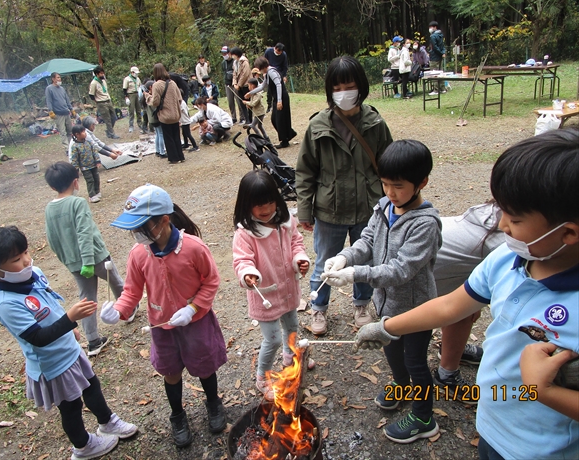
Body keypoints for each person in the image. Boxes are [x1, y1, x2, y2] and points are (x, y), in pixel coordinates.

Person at [351, 130, 579, 459]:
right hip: (491, 426)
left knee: (415, 365)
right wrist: (387, 328)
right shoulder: (505, 260)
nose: (501, 227)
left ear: (568, 231)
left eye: (514, 219)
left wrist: (544, 391)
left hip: (542, 450)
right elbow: (449, 306)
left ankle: (422, 414)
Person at [0, 226, 138, 460]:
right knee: (71, 407)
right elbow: (37, 338)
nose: (27, 261)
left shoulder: (35, 273)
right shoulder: (7, 304)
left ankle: (107, 422)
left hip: (69, 350)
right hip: (53, 366)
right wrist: (70, 319)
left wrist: (71, 331)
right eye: (17, 259)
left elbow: (51, 305)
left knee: (92, 385)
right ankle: (83, 446)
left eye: (26, 253)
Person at [322, 140, 441, 444]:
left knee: (416, 362)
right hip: (385, 307)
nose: (390, 191)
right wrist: (345, 257)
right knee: (391, 351)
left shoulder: (425, 224)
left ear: (422, 182)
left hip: (416, 311)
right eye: (385, 183)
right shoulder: (385, 206)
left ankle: (424, 417)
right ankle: (402, 388)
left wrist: (355, 274)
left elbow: (400, 271)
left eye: (398, 186)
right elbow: (367, 242)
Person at [101, 184, 227, 448]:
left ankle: (214, 403)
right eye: (133, 228)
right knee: (170, 371)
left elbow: (211, 281)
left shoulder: (193, 248)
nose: (136, 234)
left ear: (164, 221)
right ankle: (177, 415)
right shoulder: (139, 254)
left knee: (204, 365)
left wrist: (193, 308)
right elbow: (132, 292)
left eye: (141, 227)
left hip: (196, 322)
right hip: (161, 326)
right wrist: (118, 311)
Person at [296, 55, 393, 336]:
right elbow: (304, 171)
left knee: (365, 261)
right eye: (337, 88)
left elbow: (390, 166)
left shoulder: (375, 124)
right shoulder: (317, 126)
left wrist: (390, 202)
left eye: (349, 86)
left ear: (361, 87)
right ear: (329, 91)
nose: (343, 94)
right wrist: (305, 210)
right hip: (329, 210)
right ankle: (318, 308)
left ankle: (362, 304)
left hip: (369, 208)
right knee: (325, 261)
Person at [232, 170, 311, 400]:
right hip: (265, 295)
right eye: (259, 205)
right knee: (273, 339)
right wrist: (248, 273)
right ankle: (262, 377)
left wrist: (300, 260)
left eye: (270, 202)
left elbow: (296, 242)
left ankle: (290, 358)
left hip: (287, 290)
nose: (266, 209)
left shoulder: (286, 222)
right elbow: (242, 260)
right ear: (246, 205)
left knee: (292, 327)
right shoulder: (245, 234)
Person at [44, 161, 134, 354]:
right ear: (76, 182)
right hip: (95, 257)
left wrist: (68, 260)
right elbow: (84, 232)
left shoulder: (49, 208)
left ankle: (93, 340)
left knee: (86, 299)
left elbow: (52, 239)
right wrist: (87, 260)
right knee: (116, 282)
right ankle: (126, 311)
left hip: (75, 263)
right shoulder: (77, 203)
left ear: (52, 187)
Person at [433, 202, 503, 401]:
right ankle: (446, 375)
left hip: (450, 272)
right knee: (466, 310)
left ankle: (455, 348)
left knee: (471, 307)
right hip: (423, 276)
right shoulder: (506, 239)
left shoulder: (490, 214)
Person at [246, 56, 296, 149]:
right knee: (274, 119)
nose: (260, 71)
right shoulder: (267, 74)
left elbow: (278, 85)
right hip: (276, 98)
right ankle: (289, 134)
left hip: (281, 97)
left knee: (280, 120)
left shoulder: (272, 72)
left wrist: (280, 101)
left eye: (260, 69)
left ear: (263, 67)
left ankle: (285, 140)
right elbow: (262, 87)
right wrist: (250, 93)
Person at [150, 63, 184, 164]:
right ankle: (180, 156)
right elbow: (179, 98)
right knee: (176, 136)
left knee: (168, 137)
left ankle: (173, 158)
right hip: (175, 114)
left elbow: (155, 102)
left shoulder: (156, 85)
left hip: (165, 115)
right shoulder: (172, 83)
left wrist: (149, 98)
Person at [69, 125, 102, 203]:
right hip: (85, 168)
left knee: (96, 178)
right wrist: (75, 170)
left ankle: (97, 192)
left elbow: (94, 151)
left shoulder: (89, 142)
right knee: (90, 180)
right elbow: (74, 159)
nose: (85, 133)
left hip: (93, 165)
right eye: (83, 132)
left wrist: (97, 161)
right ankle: (92, 195)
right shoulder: (75, 146)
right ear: (77, 134)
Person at [89, 66, 120, 140]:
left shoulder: (103, 81)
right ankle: (112, 134)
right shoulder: (94, 83)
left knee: (114, 117)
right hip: (101, 102)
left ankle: (108, 131)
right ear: (97, 74)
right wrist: (97, 102)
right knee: (107, 119)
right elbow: (91, 95)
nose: (103, 75)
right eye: (101, 73)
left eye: (103, 73)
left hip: (108, 100)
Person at [45, 72, 74, 146]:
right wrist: (50, 111)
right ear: (53, 79)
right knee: (62, 132)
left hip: (66, 112)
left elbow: (67, 100)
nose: (59, 79)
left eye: (60, 77)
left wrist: (71, 109)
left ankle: (71, 146)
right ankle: (66, 148)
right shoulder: (49, 89)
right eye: (57, 77)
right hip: (58, 114)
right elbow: (49, 101)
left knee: (70, 131)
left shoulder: (62, 88)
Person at [143, 80, 166, 158]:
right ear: (150, 87)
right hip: (155, 118)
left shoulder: (145, 97)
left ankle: (157, 150)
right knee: (161, 134)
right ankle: (162, 152)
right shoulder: (150, 97)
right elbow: (155, 107)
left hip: (151, 119)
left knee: (157, 134)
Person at [264, 42, 289, 112]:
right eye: (278, 51)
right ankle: (269, 106)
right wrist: (264, 72)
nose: (279, 53)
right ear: (275, 48)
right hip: (269, 72)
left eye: (280, 52)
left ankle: (278, 103)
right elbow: (264, 61)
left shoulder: (284, 55)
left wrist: (284, 75)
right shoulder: (268, 51)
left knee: (279, 88)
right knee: (269, 90)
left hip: (279, 73)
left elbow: (285, 66)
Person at [231, 47, 251, 125]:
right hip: (238, 86)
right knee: (242, 102)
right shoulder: (235, 63)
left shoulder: (244, 61)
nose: (232, 56)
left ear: (236, 54)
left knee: (248, 102)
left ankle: (250, 119)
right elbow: (234, 74)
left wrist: (239, 84)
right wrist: (235, 83)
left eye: (233, 55)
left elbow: (245, 74)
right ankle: (246, 120)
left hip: (245, 84)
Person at [428, 21, 446, 95]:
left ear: (435, 27)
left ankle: (436, 90)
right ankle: (442, 88)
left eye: (431, 27)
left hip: (434, 57)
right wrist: (443, 53)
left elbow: (435, 47)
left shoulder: (433, 36)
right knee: (440, 72)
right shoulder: (440, 34)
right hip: (440, 56)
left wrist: (441, 53)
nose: (430, 29)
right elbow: (442, 46)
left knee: (434, 73)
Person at [122, 66, 142, 134]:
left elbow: (140, 86)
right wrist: (126, 97)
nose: (136, 74)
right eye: (135, 73)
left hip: (137, 94)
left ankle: (140, 124)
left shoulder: (138, 79)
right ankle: (131, 126)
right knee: (131, 111)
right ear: (132, 72)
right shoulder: (127, 79)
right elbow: (124, 89)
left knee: (138, 110)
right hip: (130, 95)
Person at [220, 46, 238, 122]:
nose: (224, 55)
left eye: (225, 53)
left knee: (238, 100)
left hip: (235, 83)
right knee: (230, 102)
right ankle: (233, 117)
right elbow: (223, 72)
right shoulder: (223, 63)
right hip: (227, 84)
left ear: (229, 53)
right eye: (223, 53)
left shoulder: (235, 61)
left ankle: (243, 117)